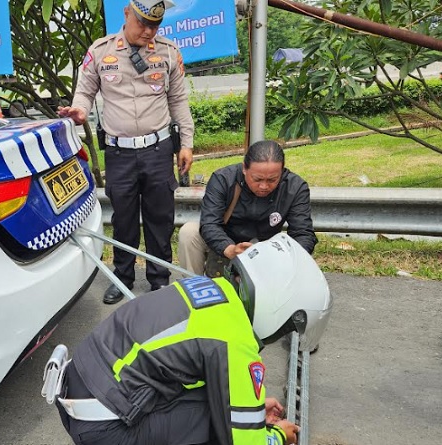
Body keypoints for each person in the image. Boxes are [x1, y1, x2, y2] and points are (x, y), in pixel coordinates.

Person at [44, 233, 332, 445]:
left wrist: (250, 407)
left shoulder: (208, 289)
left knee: (219, 413)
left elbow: (185, 369)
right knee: (218, 429)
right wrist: (278, 435)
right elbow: (245, 441)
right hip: (106, 426)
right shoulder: (234, 338)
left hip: (82, 388)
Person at [58, 0, 194, 304]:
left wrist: (186, 144)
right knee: (124, 219)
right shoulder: (101, 51)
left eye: (154, 26)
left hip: (158, 150)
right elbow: (84, 92)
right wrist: (79, 111)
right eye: (142, 23)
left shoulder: (168, 52)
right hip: (119, 154)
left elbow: (178, 101)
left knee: (160, 218)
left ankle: (159, 279)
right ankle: (122, 277)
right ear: (126, 13)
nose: (148, 31)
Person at [178, 140, 317, 278]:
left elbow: (303, 234)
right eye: (257, 179)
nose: (264, 186)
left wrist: (283, 259)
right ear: (244, 168)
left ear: (282, 171)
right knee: (189, 232)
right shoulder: (223, 179)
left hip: (269, 249)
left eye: (272, 180)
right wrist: (229, 249)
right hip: (227, 242)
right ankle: (194, 286)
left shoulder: (295, 187)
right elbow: (209, 224)